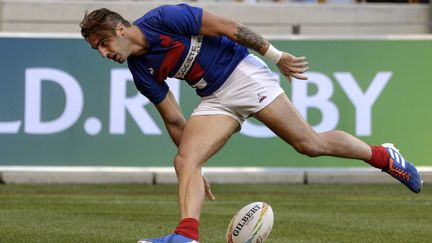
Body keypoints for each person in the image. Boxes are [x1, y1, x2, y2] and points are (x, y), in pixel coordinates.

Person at [79, 4, 423, 243]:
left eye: (104, 44)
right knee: (184, 160)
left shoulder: (166, 18)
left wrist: (277, 56)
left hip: (244, 76)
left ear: (120, 29)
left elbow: (230, 27)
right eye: (98, 49)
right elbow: (173, 118)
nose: (104, 53)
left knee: (309, 144)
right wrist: (193, 168)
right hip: (214, 97)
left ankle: (383, 156)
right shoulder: (140, 71)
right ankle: (186, 235)